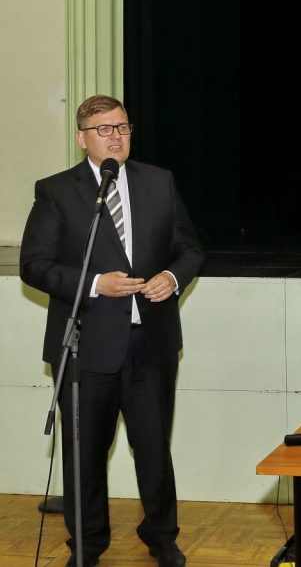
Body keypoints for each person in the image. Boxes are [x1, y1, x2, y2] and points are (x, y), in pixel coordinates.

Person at [20, 95, 203, 567]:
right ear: (82, 138)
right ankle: (87, 545)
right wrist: (96, 284)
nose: (115, 136)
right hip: (86, 346)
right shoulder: (57, 191)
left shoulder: (159, 182)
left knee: (154, 450)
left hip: (151, 345)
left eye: (122, 127)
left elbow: (189, 249)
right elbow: (34, 265)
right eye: (103, 129)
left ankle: (162, 538)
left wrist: (172, 278)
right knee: (83, 456)